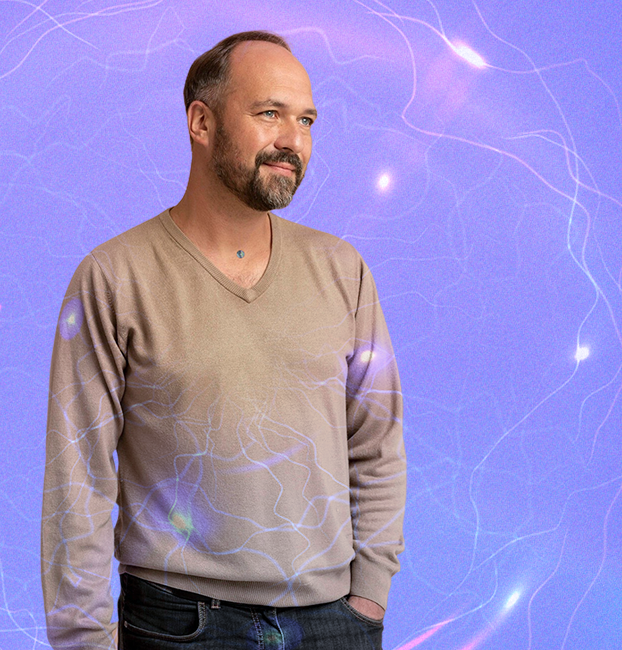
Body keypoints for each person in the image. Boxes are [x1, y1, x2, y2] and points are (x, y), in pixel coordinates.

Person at [41, 30, 405, 649]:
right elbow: (78, 478)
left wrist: (368, 596)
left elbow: (378, 443)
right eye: (269, 113)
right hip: (179, 626)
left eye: (306, 120)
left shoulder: (343, 271)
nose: (293, 140)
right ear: (201, 122)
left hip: (332, 623)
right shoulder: (114, 276)